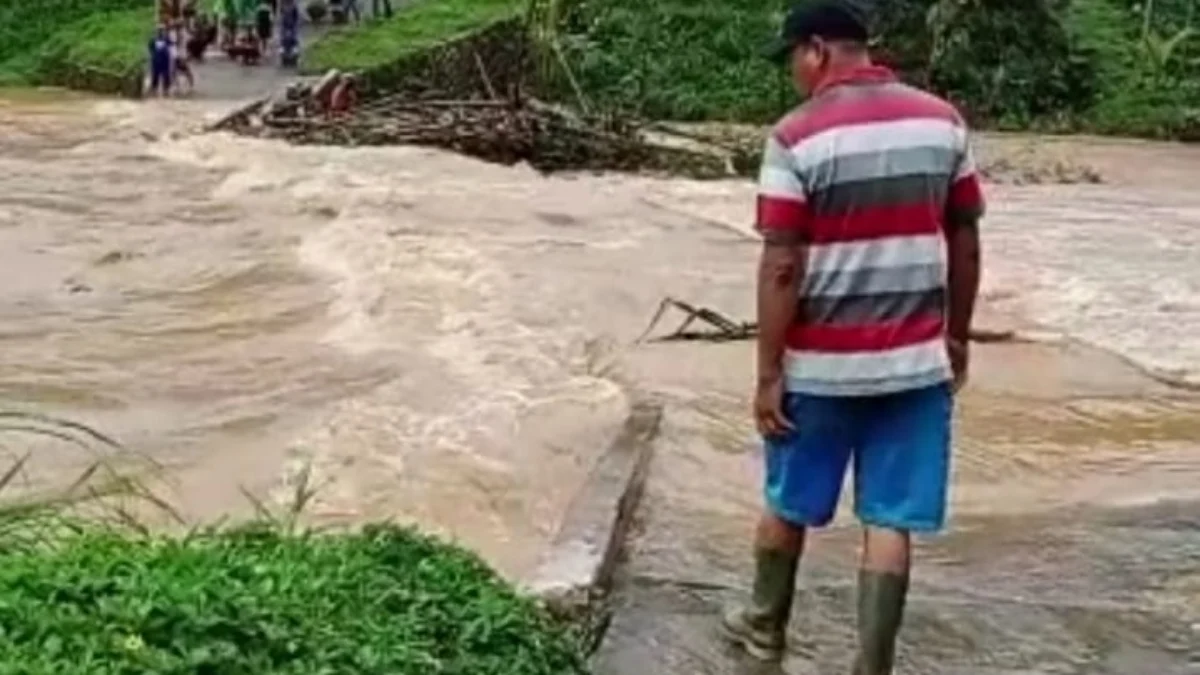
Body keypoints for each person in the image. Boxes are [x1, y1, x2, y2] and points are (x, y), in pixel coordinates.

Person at [720, 1, 984, 672]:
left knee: (788, 501)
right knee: (890, 519)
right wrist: (956, 335)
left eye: (791, 61)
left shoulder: (795, 136)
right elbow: (965, 236)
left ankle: (764, 632)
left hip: (819, 369)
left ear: (815, 50)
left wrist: (768, 373)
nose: (791, 76)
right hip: (915, 367)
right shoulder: (942, 121)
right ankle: (872, 666)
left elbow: (782, 263)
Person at [147, 26, 174, 97]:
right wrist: (152, 55)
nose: (160, 32)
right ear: (156, 32)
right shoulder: (153, 40)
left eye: (162, 30)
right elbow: (150, 48)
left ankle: (166, 89)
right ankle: (154, 89)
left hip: (165, 61)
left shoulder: (167, 39)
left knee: (166, 75)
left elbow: (172, 46)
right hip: (156, 60)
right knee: (155, 75)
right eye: (159, 31)